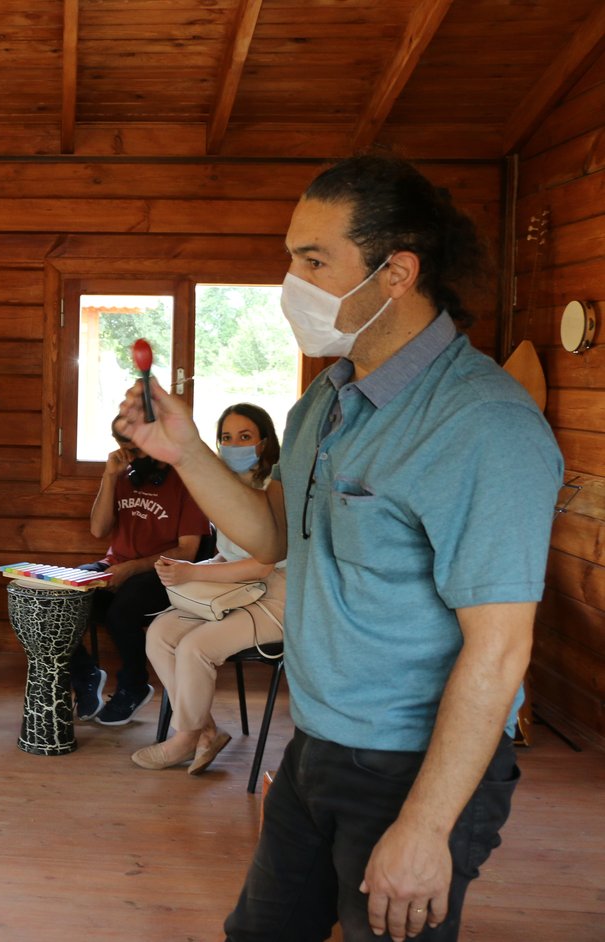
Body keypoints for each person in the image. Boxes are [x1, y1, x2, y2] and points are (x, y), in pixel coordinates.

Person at [119, 154, 563, 942]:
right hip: (319, 742)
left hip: (415, 768)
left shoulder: (481, 426)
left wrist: (425, 828)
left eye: (312, 258)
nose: (290, 277)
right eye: (291, 254)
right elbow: (269, 529)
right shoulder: (325, 398)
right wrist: (186, 450)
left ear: (395, 272)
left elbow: (499, 653)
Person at [133, 403, 286, 773]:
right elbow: (224, 557)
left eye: (244, 437)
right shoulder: (226, 489)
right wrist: (186, 569)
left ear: (264, 443)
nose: (234, 445)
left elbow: (264, 563)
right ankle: (205, 733)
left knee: (195, 647)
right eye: (226, 438)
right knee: (160, 633)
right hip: (236, 591)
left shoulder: (277, 487)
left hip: (278, 594)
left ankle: (185, 738)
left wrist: (191, 575)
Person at [69, 418, 210, 725]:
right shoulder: (122, 476)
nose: (134, 458)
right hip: (115, 566)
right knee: (65, 596)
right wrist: (109, 477)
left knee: (123, 609)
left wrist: (131, 568)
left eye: (138, 449)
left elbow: (187, 551)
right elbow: (98, 530)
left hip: (166, 574)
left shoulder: (188, 481)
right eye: (126, 450)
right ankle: (86, 676)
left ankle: (134, 686)